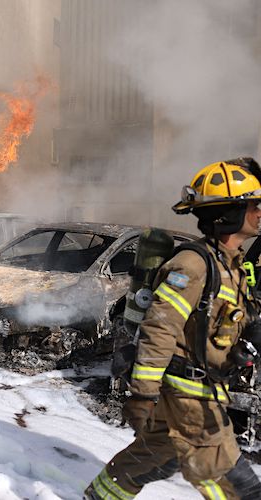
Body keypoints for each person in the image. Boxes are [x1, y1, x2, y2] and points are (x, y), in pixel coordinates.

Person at [85, 158, 261, 499]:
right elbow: (160, 330)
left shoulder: (233, 267)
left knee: (155, 458)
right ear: (230, 214)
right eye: (253, 205)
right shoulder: (192, 265)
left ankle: (100, 495)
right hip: (189, 395)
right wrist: (143, 394)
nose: (259, 212)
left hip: (205, 388)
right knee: (238, 487)